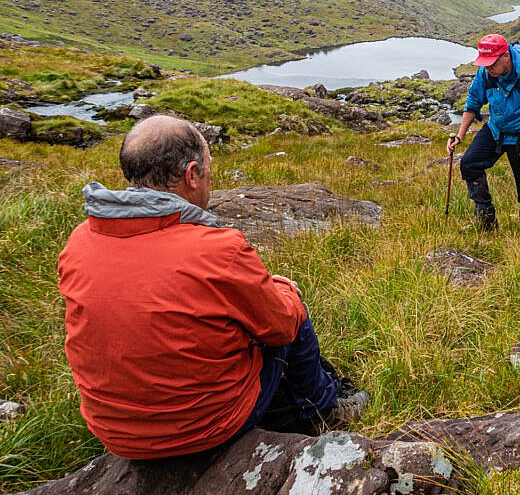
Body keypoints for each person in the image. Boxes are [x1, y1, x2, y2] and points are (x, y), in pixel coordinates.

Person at [59, 115, 367, 460]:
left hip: (115, 435)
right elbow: (279, 327)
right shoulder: (218, 250)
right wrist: (282, 289)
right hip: (204, 429)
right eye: (208, 166)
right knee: (290, 306)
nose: (210, 175)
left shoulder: (80, 241)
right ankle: (322, 410)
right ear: (192, 175)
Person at [447, 34, 520, 230]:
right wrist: (459, 135)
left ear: (506, 56)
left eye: (492, 64)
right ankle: (485, 218)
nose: (488, 68)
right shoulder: (486, 72)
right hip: (496, 129)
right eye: (485, 64)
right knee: (469, 164)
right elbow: (473, 102)